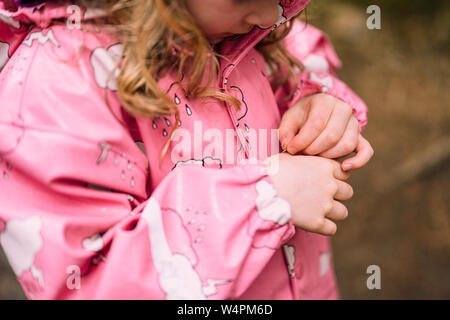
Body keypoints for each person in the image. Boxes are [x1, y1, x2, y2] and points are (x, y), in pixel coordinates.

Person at [0, 0, 373, 299]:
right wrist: (265, 200)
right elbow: (91, 283)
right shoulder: (56, 87)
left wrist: (315, 104)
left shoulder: (241, 27)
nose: (270, 15)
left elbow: (302, 49)